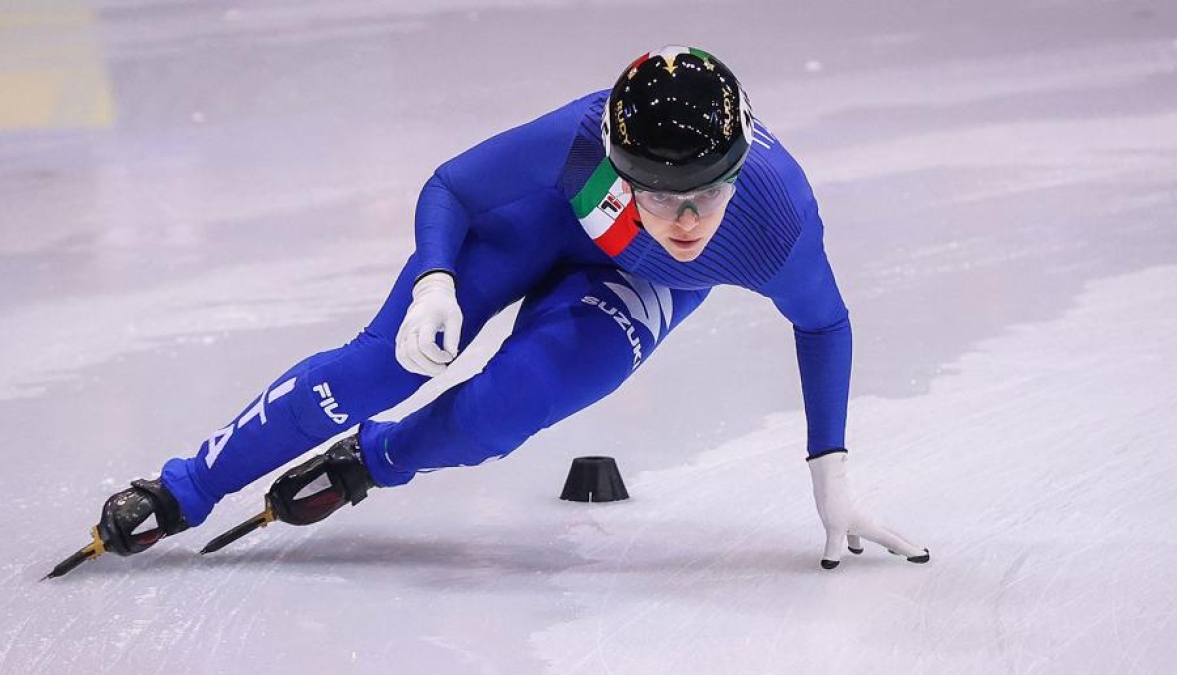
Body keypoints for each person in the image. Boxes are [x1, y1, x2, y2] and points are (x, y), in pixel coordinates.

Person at [74, 45, 927, 572]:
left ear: (740, 173)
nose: (687, 221)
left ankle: (372, 460)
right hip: (541, 222)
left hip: (635, 285)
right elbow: (451, 186)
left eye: (706, 195)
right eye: (660, 198)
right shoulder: (577, 136)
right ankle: (185, 487)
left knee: (506, 407)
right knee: (386, 362)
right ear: (617, 165)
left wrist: (831, 474)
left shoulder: (778, 223)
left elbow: (824, 322)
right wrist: (434, 281)